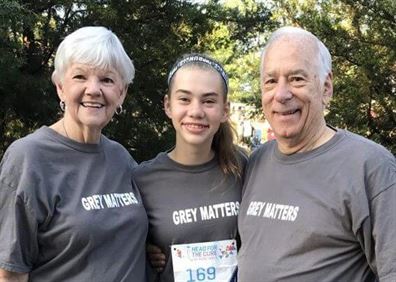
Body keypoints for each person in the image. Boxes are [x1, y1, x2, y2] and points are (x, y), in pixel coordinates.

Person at [237, 26, 396, 281]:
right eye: (271, 81)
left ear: (326, 88)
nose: (281, 94)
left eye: (297, 79)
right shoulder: (256, 161)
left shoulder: (370, 167)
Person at [0, 26, 148, 282]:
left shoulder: (121, 159)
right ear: (60, 87)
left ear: (121, 93)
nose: (93, 90)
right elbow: (10, 273)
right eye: (80, 76)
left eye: (107, 80)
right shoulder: (28, 157)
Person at [133, 53, 245, 282]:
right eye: (184, 99)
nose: (196, 111)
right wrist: (141, 248)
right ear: (168, 105)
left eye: (209, 101)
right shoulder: (142, 179)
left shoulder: (243, 167)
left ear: (225, 110)